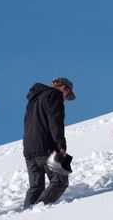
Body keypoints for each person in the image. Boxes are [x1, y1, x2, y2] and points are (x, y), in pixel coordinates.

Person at [22, 77, 75, 208]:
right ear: (64, 88)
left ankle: (24, 216)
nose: (65, 99)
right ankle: (37, 211)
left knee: (36, 186)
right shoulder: (55, 95)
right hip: (46, 147)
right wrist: (61, 145)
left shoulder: (33, 99)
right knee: (60, 181)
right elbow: (55, 122)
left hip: (29, 149)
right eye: (67, 95)